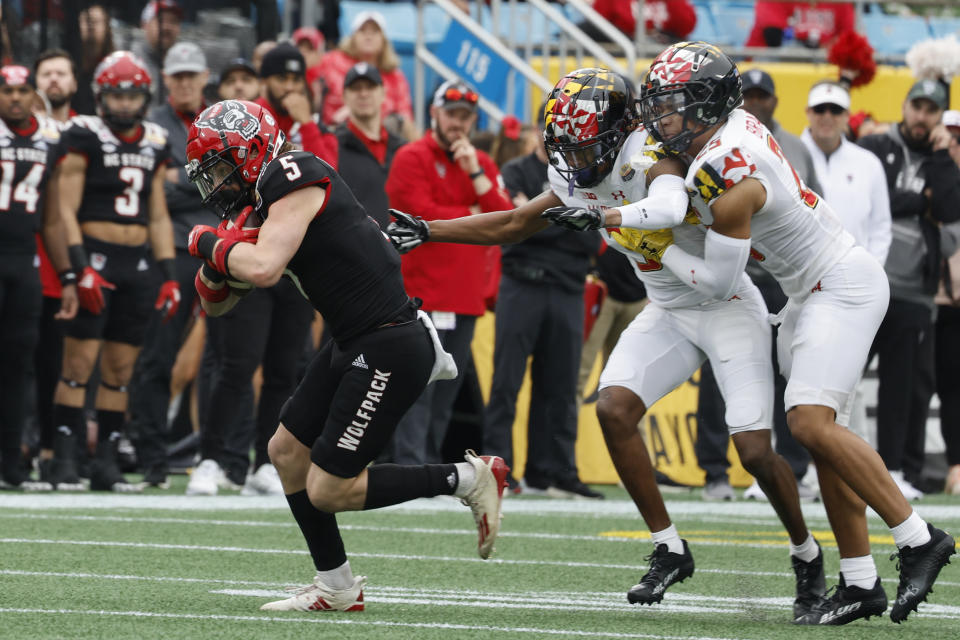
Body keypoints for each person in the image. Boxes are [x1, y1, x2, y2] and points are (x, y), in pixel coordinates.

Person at [388, 68, 825, 618]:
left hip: (726, 304)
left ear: (622, 129)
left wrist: (604, 214)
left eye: (586, 142)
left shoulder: (653, 151)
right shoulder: (577, 168)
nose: (576, 158)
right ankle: (669, 548)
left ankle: (807, 556)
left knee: (756, 451)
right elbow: (514, 225)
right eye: (565, 144)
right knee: (614, 408)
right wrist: (430, 230)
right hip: (667, 308)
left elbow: (666, 207)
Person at [630, 41, 955, 623]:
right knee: (822, 435)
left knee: (807, 419)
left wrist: (646, 240)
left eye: (675, 103)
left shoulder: (725, 163)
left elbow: (719, 279)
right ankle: (858, 580)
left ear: (707, 104)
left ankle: (917, 537)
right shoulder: (727, 131)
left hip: (841, 283)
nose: (663, 116)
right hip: (811, 288)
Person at [183, 98, 508, 609]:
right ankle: (337, 586)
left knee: (329, 489)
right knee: (286, 453)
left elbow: (264, 268)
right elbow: (217, 304)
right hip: (354, 338)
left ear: (251, 152)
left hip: (390, 341)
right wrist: (219, 261)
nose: (216, 183)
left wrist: (208, 244)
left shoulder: (294, 172)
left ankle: (468, 477)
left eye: (221, 167)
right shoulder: (262, 204)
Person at [51, 51, 180, 493]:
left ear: (144, 96)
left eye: (132, 94)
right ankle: (64, 462)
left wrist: (167, 274)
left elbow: (159, 215)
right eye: (116, 94)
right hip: (96, 258)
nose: (124, 103)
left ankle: (105, 462)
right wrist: (78, 267)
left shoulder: (156, 141)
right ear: (101, 96)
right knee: (78, 365)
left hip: (138, 264)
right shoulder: (83, 134)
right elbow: (64, 209)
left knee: (120, 371)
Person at [697, 67, 823, 502]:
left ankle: (792, 466)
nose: (754, 102)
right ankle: (714, 471)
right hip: (735, 273)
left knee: (789, 370)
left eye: (761, 95)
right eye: (747, 94)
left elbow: (813, 204)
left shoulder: (796, 149)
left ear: (774, 100)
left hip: (783, 277)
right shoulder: (715, 144)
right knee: (723, 370)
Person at [385, 80, 513, 466]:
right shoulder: (411, 156)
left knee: (446, 393)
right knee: (415, 389)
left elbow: (506, 220)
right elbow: (416, 213)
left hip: (465, 297)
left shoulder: (482, 163)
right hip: (422, 295)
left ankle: (428, 467)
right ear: (435, 114)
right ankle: (407, 466)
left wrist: (475, 174)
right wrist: (472, 214)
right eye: (452, 114)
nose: (458, 124)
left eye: (466, 117)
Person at [485, 112, 603, 498]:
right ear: (538, 130)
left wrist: (534, 218)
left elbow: (590, 242)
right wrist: (561, 223)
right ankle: (498, 468)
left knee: (560, 385)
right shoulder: (517, 169)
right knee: (506, 382)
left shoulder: (584, 177)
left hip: (568, 288)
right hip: (522, 286)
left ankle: (554, 470)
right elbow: (512, 232)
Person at [859, 79, 960, 502]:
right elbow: (875, 200)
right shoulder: (877, 147)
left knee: (901, 387)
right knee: (842, 376)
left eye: (931, 110)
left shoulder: (944, 161)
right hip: (866, 282)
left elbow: (950, 209)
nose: (922, 116)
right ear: (904, 106)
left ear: (940, 117)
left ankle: (894, 469)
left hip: (916, 291)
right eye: (917, 107)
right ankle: (820, 462)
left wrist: (940, 157)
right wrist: (922, 201)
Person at [126, 42, 218, 489]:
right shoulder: (150, 125)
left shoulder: (219, 119)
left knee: (230, 361)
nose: (184, 82)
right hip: (172, 253)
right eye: (177, 75)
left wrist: (179, 178)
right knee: (157, 358)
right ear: (166, 79)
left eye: (190, 74)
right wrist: (204, 177)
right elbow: (152, 191)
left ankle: (223, 460)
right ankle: (153, 461)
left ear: (203, 77)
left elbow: (232, 181)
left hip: (223, 248)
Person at [0, 65, 76, 490]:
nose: (14, 97)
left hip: (24, 261)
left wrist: (67, 275)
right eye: (6, 90)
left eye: (21, 90)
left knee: (18, 367)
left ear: (33, 95)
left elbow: (51, 219)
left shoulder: (50, 140)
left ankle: (12, 462)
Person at [31, 49, 80, 485]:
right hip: (25, 256)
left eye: (61, 72)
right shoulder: (20, 129)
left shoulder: (86, 133)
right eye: (45, 73)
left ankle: (55, 446)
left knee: (58, 362)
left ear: (74, 81)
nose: (53, 80)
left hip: (67, 260)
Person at [802, 81, 891, 264]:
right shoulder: (786, 154)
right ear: (808, 112)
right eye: (820, 109)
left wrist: (872, 269)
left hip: (854, 276)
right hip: (798, 274)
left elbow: (880, 225)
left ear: (847, 116)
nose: (827, 116)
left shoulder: (868, 163)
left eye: (835, 110)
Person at [309, 10, 416, 140]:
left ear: (384, 40)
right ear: (353, 37)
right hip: (335, 133)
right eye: (363, 31)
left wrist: (356, 111)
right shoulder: (331, 61)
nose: (368, 36)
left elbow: (405, 119)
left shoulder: (395, 76)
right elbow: (308, 82)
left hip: (383, 137)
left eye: (375, 32)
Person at [334, 62, 405, 230]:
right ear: (344, 96)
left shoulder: (403, 149)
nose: (363, 94)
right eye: (356, 88)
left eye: (370, 87)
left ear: (383, 93)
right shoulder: (333, 147)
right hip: (356, 250)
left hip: (401, 249)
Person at [256, 42, 337, 167]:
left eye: (296, 80)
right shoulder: (251, 119)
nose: (290, 87)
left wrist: (307, 124)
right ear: (264, 82)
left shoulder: (316, 127)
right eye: (281, 79)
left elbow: (329, 177)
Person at [130, 0, 182, 107]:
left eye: (173, 21)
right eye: (160, 20)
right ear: (144, 24)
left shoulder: (184, 62)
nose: (167, 27)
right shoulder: (131, 60)